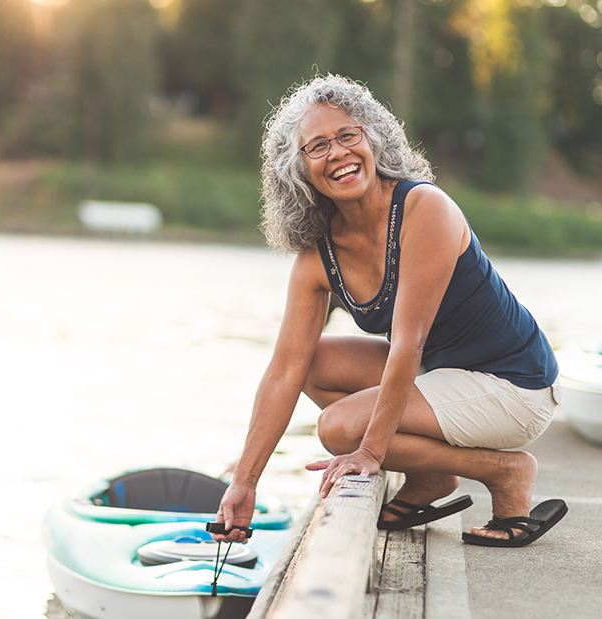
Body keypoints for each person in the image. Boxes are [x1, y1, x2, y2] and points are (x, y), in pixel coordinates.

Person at [212, 74, 566, 548]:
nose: (337, 152)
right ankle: (432, 477)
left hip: (513, 385)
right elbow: (284, 372)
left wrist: (369, 452)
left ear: (372, 138)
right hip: (441, 373)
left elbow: (407, 343)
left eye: (346, 136)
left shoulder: (424, 208)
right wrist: (246, 481)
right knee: (311, 363)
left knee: (339, 428)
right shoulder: (318, 256)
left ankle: (505, 472)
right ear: (297, 170)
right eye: (317, 147)